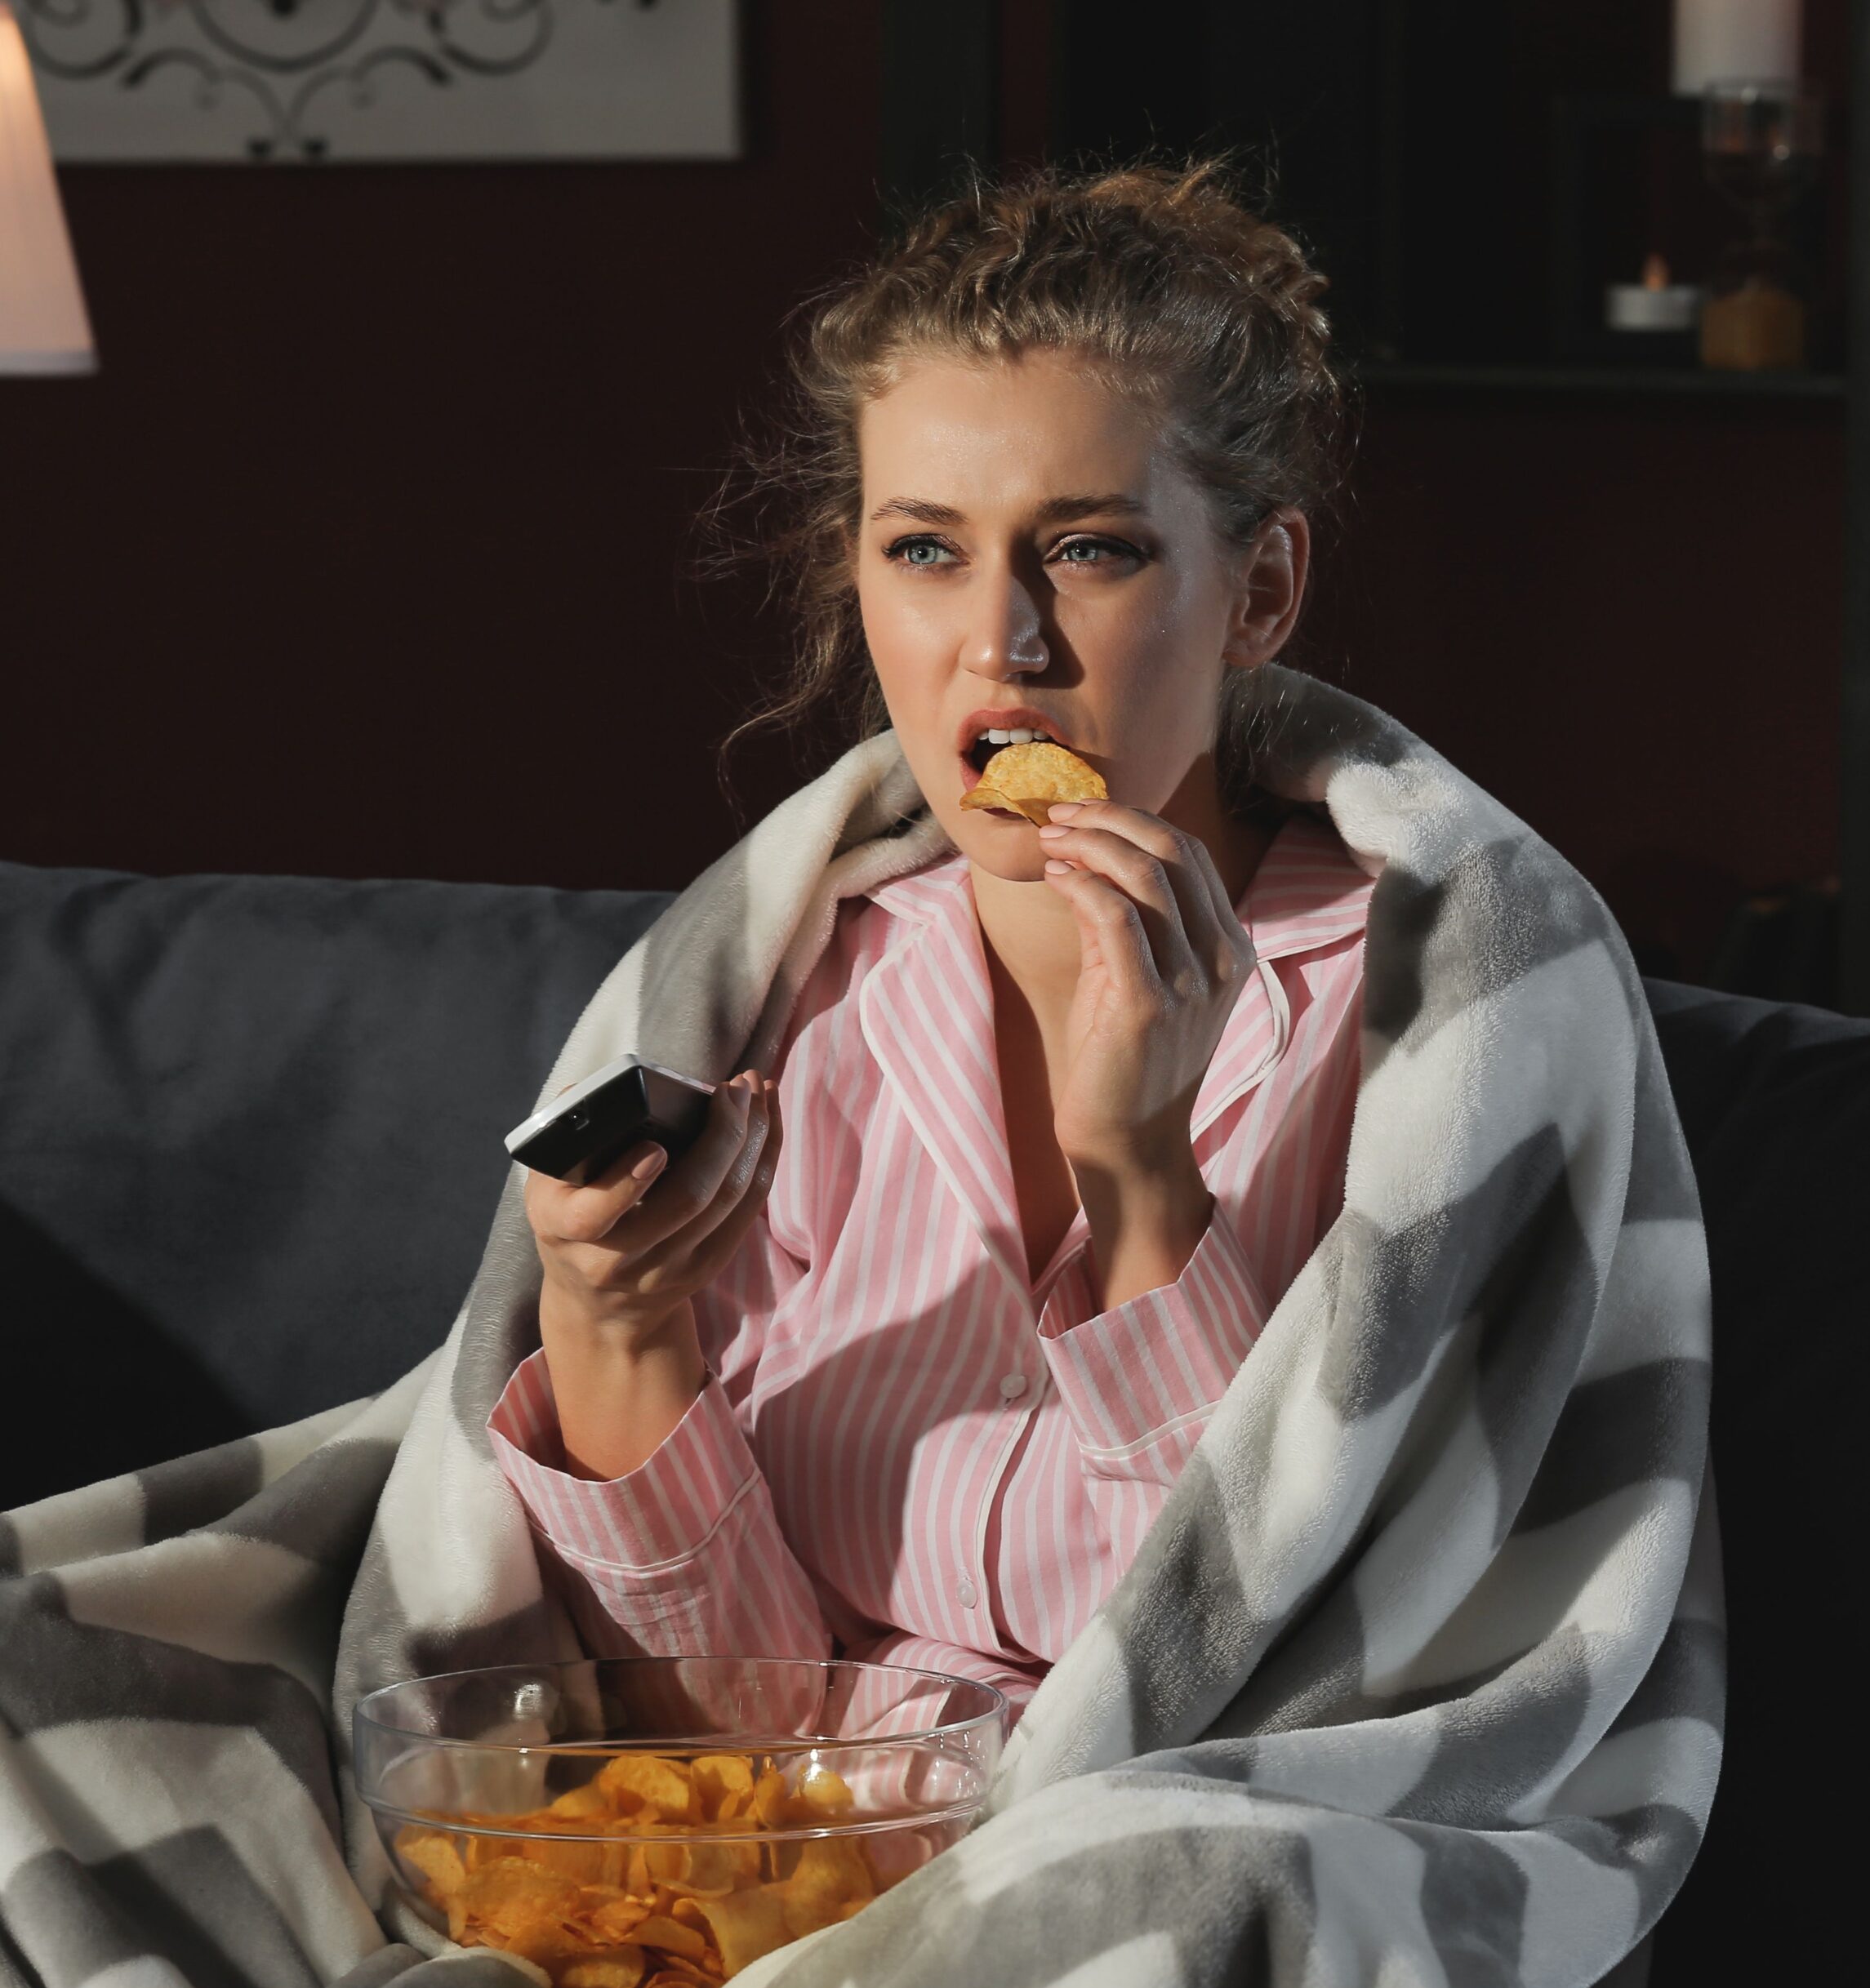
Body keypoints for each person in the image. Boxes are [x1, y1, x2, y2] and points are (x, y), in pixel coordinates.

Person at [490, 153, 1371, 1720]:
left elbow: (1276, 1680)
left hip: (1196, 1849)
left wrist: (1142, 1173)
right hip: (806, 1849)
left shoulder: (1424, 1025)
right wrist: (613, 1331)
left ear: (1264, 591)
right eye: (925, 550)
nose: (1000, 644)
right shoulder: (808, 994)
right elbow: (733, 1722)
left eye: (1091, 547)